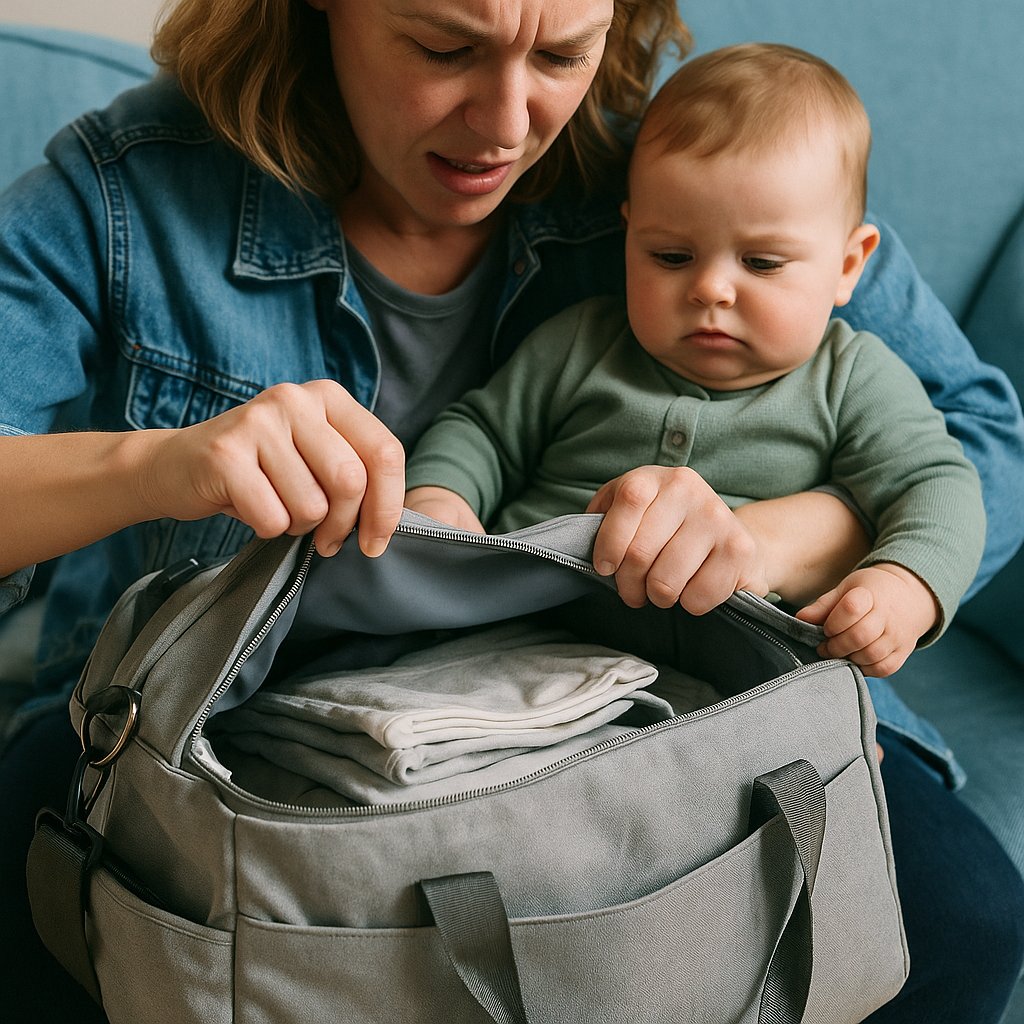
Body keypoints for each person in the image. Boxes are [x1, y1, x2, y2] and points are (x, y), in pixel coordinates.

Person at [0, 2, 1020, 1022]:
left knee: (964, 922)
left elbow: (980, 441)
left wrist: (766, 541)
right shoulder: (127, 190)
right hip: (230, 726)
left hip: (660, 692)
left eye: (563, 54)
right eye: (445, 49)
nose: (505, 122)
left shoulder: (692, 173)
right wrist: (153, 465)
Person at [405, 43, 985, 679]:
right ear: (628, 235)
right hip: (520, 645)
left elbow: (938, 486)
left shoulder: (852, 380)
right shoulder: (581, 343)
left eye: (762, 263)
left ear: (849, 266)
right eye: (671, 257)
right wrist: (441, 498)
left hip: (741, 687)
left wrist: (904, 586)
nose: (712, 289)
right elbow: (482, 431)